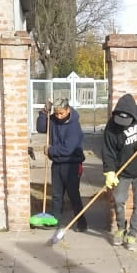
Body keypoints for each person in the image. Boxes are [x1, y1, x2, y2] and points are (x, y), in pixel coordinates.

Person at [101, 93, 137, 250]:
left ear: (133, 114)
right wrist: (110, 172)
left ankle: (132, 234)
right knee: (119, 201)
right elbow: (108, 152)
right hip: (123, 172)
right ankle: (121, 229)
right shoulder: (111, 127)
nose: (123, 124)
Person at [35, 98, 86, 230]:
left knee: (73, 194)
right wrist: (44, 112)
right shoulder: (53, 119)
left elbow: (68, 148)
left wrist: (50, 150)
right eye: (56, 113)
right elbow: (41, 128)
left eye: (61, 113)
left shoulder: (74, 126)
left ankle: (81, 222)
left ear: (68, 110)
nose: (58, 116)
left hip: (72, 164)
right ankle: (55, 220)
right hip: (57, 163)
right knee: (57, 194)